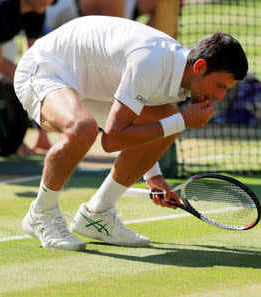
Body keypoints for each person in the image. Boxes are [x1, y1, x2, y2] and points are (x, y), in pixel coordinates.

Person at [14, 15, 248, 250]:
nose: (219, 97)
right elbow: (112, 140)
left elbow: (141, 126)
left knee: (169, 120)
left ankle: (97, 214)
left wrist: (153, 177)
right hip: (43, 70)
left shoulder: (174, 74)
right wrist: (183, 120)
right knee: (82, 129)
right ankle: (41, 212)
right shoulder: (151, 63)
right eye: (219, 86)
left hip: (91, 85)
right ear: (200, 67)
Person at [0, 0, 54, 155]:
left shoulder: (38, 9)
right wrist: (16, 141)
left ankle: (42, 136)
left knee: (33, 77)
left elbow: (35, 67)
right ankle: (9, 138)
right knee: (9, 79)